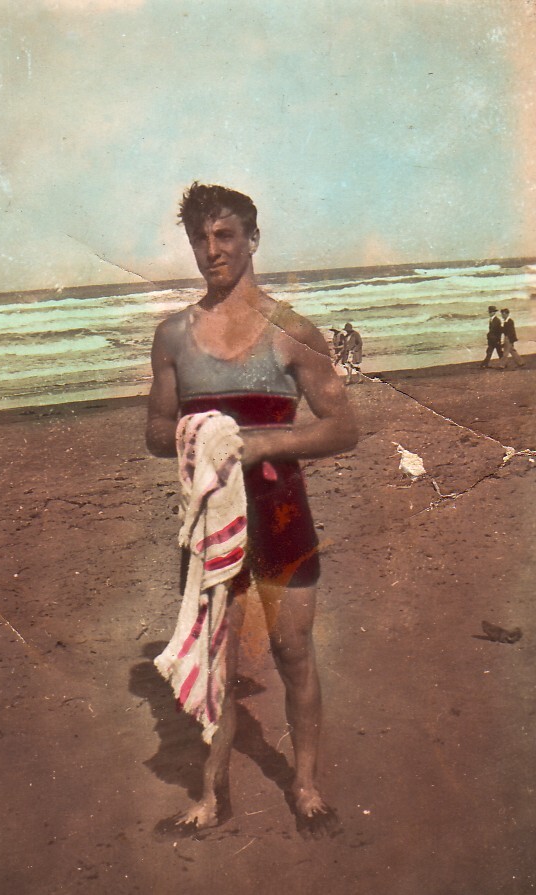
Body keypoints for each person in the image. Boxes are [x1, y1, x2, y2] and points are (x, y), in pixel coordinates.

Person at [146, 182, 358, 833]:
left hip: (283, 514)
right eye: (200, 239)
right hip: (213, 522)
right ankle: (211, 795)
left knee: (294, 649)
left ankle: (307, 785)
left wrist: (259, 441)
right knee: (220, 661)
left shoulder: (292, 331)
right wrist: (198, 435)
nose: (212, 251)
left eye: (225, 235)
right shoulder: (174, 336)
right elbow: (156, 431)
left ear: (252, 239)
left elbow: (343, 426)